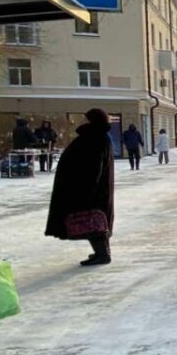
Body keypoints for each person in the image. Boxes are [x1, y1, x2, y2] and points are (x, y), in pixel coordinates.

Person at [45, 108, 115, 266]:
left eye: (86, 118)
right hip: (90, 189)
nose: (83, 121)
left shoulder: (95, 138)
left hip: (88, 189)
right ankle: (102, 252)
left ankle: (103, 254)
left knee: (94, 220)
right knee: (97, 221)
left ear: (92, 121)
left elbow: (93, 167)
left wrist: (87, 192)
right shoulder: (97, 136)